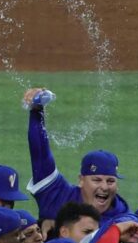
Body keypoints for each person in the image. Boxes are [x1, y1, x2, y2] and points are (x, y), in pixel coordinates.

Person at [21, 87, 130, 230]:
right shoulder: (58, 196)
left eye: (110, 181)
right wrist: (36, 111)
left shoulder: (123, 219)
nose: (104, 187)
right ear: (81, 180)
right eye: (96, 179)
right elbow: (40, 154)